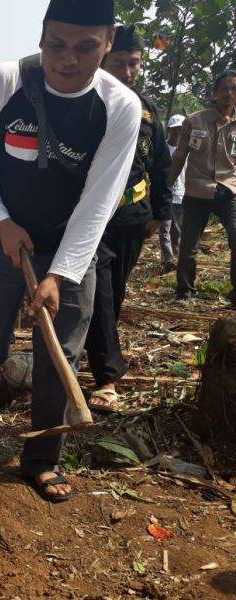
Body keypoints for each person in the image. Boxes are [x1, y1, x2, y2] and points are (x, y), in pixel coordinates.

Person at [0, 0, 141, 502]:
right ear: (41, 38)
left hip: (72, 244)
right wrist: (1, 224)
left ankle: (42, 457)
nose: (69, 59)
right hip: (1, 240)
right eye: (58, 44)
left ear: (107, 44)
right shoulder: (5, 80)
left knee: (63, 350)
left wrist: (58, 274)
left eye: (86, 47)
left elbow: (100, 200)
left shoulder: (120, 107)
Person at [84, 25, 172, 411]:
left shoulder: (147, 108)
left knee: (113, 295)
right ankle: (107, 378)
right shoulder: (86, 103)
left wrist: (160, 212)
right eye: (120, 64)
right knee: (99, 294)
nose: (128, 72)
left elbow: (161, 162)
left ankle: (97, 354)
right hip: (90, 219)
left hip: (133, 216)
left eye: (134, 64)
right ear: (103, 61)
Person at [170, 70, 236, 308]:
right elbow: (179, 156)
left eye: (234, 89)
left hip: (229, 191)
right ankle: (185, 292)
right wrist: (166, 187)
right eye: (224, 88)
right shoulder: (195, 121)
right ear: (215, 92)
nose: (229, 94)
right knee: (188, 246)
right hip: (197, 191)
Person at [157, 114, 187, 271]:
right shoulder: (163, 149)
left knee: (178, 231)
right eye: (175, 129)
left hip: (182, 194)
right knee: (165, 230)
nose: (178, 132)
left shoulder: (188, 149)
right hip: (166, 195)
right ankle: (169, 261)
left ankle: (177, 258)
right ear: (169, 130)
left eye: (181, 129)